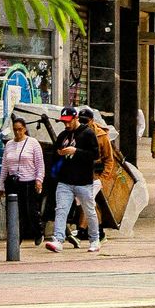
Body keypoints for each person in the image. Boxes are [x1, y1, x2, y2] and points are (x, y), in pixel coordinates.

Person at [45, 109, 101, 254]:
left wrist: (75, 151)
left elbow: (95, 154)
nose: (67, 124)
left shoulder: (88, 133)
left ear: (75, 118)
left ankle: (94, 239)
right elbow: (55, 155)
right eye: (64, 121)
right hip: (65, 180)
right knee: (61, 210)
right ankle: (58, 239)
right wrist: (59, 154)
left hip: (83, 181)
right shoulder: (63, 135)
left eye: (69, 121)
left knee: (89, 211)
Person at [3, 113, 45, 247]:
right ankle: (17, 237)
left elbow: (39, 163)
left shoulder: (33, 143)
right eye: (15, 129)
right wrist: (1, 186)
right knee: (15, 211)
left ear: (25, 129)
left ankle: (38, 232)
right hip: (13, 182)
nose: (17, 132)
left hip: (28, 181)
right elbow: (5, 165)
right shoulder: (9, 144)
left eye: (20, 129)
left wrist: (39, 180)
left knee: (30, 210)